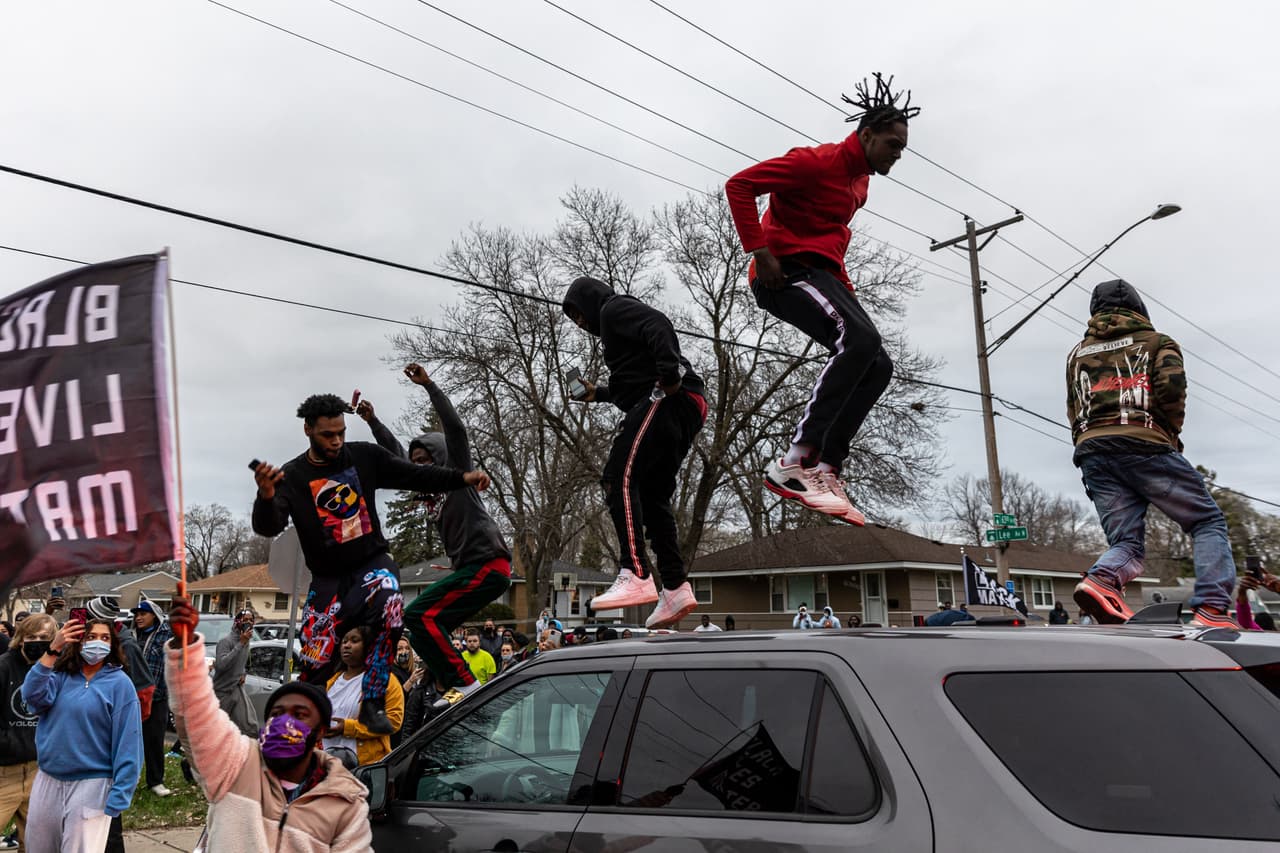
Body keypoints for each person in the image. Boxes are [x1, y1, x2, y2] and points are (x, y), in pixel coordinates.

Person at [724, 74, 919, 527]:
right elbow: (739, 185)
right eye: (892, 145)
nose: (897, 155)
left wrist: (847, 294)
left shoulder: (860, 184)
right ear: (866, 135)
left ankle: (827, 470)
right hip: (784, 273)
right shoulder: (814, 162)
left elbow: (833, 241)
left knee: (877, 363)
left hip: (822, 274)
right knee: (859, 340)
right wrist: (760, 252)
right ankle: (795, 460)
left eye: (902, 149)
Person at [252, 392, 490, 733]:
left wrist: (461, 478)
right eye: (327, 435)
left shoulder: (364, 456)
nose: (336, 442)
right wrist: (266, 496)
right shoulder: (293, 476)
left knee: (390, 605)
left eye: (341, 433)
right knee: (316, 654)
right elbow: (269, 526)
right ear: (308, 430)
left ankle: (373, 700)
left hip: (371, 563)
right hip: (328, 577)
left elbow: (415, 475)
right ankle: (305, 720)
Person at [1067, 280, 1239, 629]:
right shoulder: (1158, 342)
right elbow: (1172, 392)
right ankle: (1212, 609)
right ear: (1138, 310)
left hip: (1092, 451)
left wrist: (1087, 444)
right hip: (1145, 443)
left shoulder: (1076, 355)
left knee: (1126, 541)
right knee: (1206, 521)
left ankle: (1102, 580)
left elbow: (1074, 406)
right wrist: (1169, 438)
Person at [162, 600, 373, 852]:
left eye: (300, 714)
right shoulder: (235, 769)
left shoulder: (345, 802)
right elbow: (194, 717)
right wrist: (183, 647)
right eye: (277, 713)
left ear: (320, 731)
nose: (285, 722)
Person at [562, 277, 709, 629]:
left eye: (579, 314)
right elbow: (630, 387)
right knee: (653, 497)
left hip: (669, 396)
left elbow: (658, 323)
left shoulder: (612, 309)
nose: (580, 323)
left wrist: (669, 376)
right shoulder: (617, 336)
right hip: (681, 404)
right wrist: (597, 393)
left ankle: (635, 571)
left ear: (591, 301)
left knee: (618, 477)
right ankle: (675, 587)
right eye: (574, 320)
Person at [395, 364, 512, 708]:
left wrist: (429, 385)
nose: (420, 468)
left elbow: (456, 430)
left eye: (425, 460)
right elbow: (392, 459)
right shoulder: (429, 493)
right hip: (471, 571)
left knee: (416, 614)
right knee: (425, 631)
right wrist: (373, 421)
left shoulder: (459, 474)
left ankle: (465, 681)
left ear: (440, 457)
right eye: (416, 463)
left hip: (487, 565)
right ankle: (453, 686)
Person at [21, 618, 141, 853]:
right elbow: (32, 697)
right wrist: (53, 650)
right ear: (78, 642)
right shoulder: (60, 677)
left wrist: (122, 790)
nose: (98, 643)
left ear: (113, 644)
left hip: (92, 783)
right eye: (91, 637)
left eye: (105, 638)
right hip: (48, 778)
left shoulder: (120, 685)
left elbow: (129, 741)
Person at [0, 614, 55, 850]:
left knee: (36, 844)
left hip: (38, 772)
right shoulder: (3, 666)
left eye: (45, 637)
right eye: (32, 636)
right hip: (4, 771)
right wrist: (9, 744)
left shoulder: (54, 669)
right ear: (21, 638)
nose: (38, 642)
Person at [324, 627, 403, 767]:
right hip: (326, 765)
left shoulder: (384, 680)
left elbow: (393, 721)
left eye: (354, 641)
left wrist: (347, 728)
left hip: (364, 768)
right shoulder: (331, 681)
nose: (347, 645)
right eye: (344, 641)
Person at [130, 597, 174, 797]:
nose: (138, 618)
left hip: (157, 697)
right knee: (128, 740)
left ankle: (155, 781)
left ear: (154, 615)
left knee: (155, 740)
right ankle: (127, 779)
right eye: (136, 615)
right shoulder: (131, 635)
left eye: (143, 614)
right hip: (132, 697)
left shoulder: (167, 635)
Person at [213, 609, 257, 736]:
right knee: (215, 730)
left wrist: (243, 673)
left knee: (250, 726)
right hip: (222, 692)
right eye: (245, 620)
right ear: (237, 621)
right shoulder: (225, 642)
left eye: (251, 620)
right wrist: (240, 644)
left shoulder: (246, 641)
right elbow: (221, 665)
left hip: (236, 689)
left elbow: (242, 662)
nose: (248, 623)